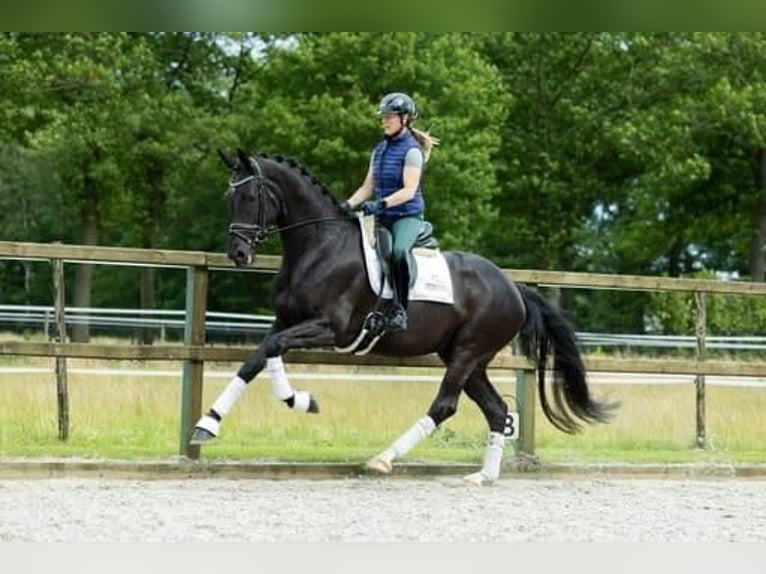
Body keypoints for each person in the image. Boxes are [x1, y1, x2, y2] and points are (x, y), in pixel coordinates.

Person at [340, 92, 439, 333]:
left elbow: (408, 190)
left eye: (389, 117)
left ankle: (400, 311)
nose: (384, 121)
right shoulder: (379, 150)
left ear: (404, 119)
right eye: (383, 117)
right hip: (383, 219)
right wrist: (345, 205)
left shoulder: (412, 151)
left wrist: (381, 204)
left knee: (397, 253)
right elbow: (366, 188)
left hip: (407, 217)